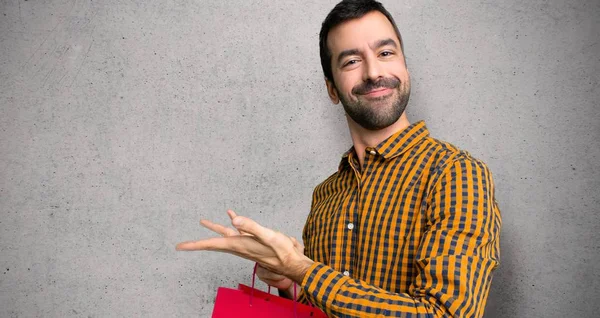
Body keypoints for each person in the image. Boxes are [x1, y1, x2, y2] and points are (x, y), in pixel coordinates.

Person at [176, 0, 501, 317]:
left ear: (405, 66)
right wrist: (290, 282)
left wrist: (301, 268)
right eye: (351, 62)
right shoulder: (325, 196)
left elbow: (442, 314)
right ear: (332, 89)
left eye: (386, 53)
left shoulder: (456, 174)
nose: (374, 72)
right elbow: (323, 308)